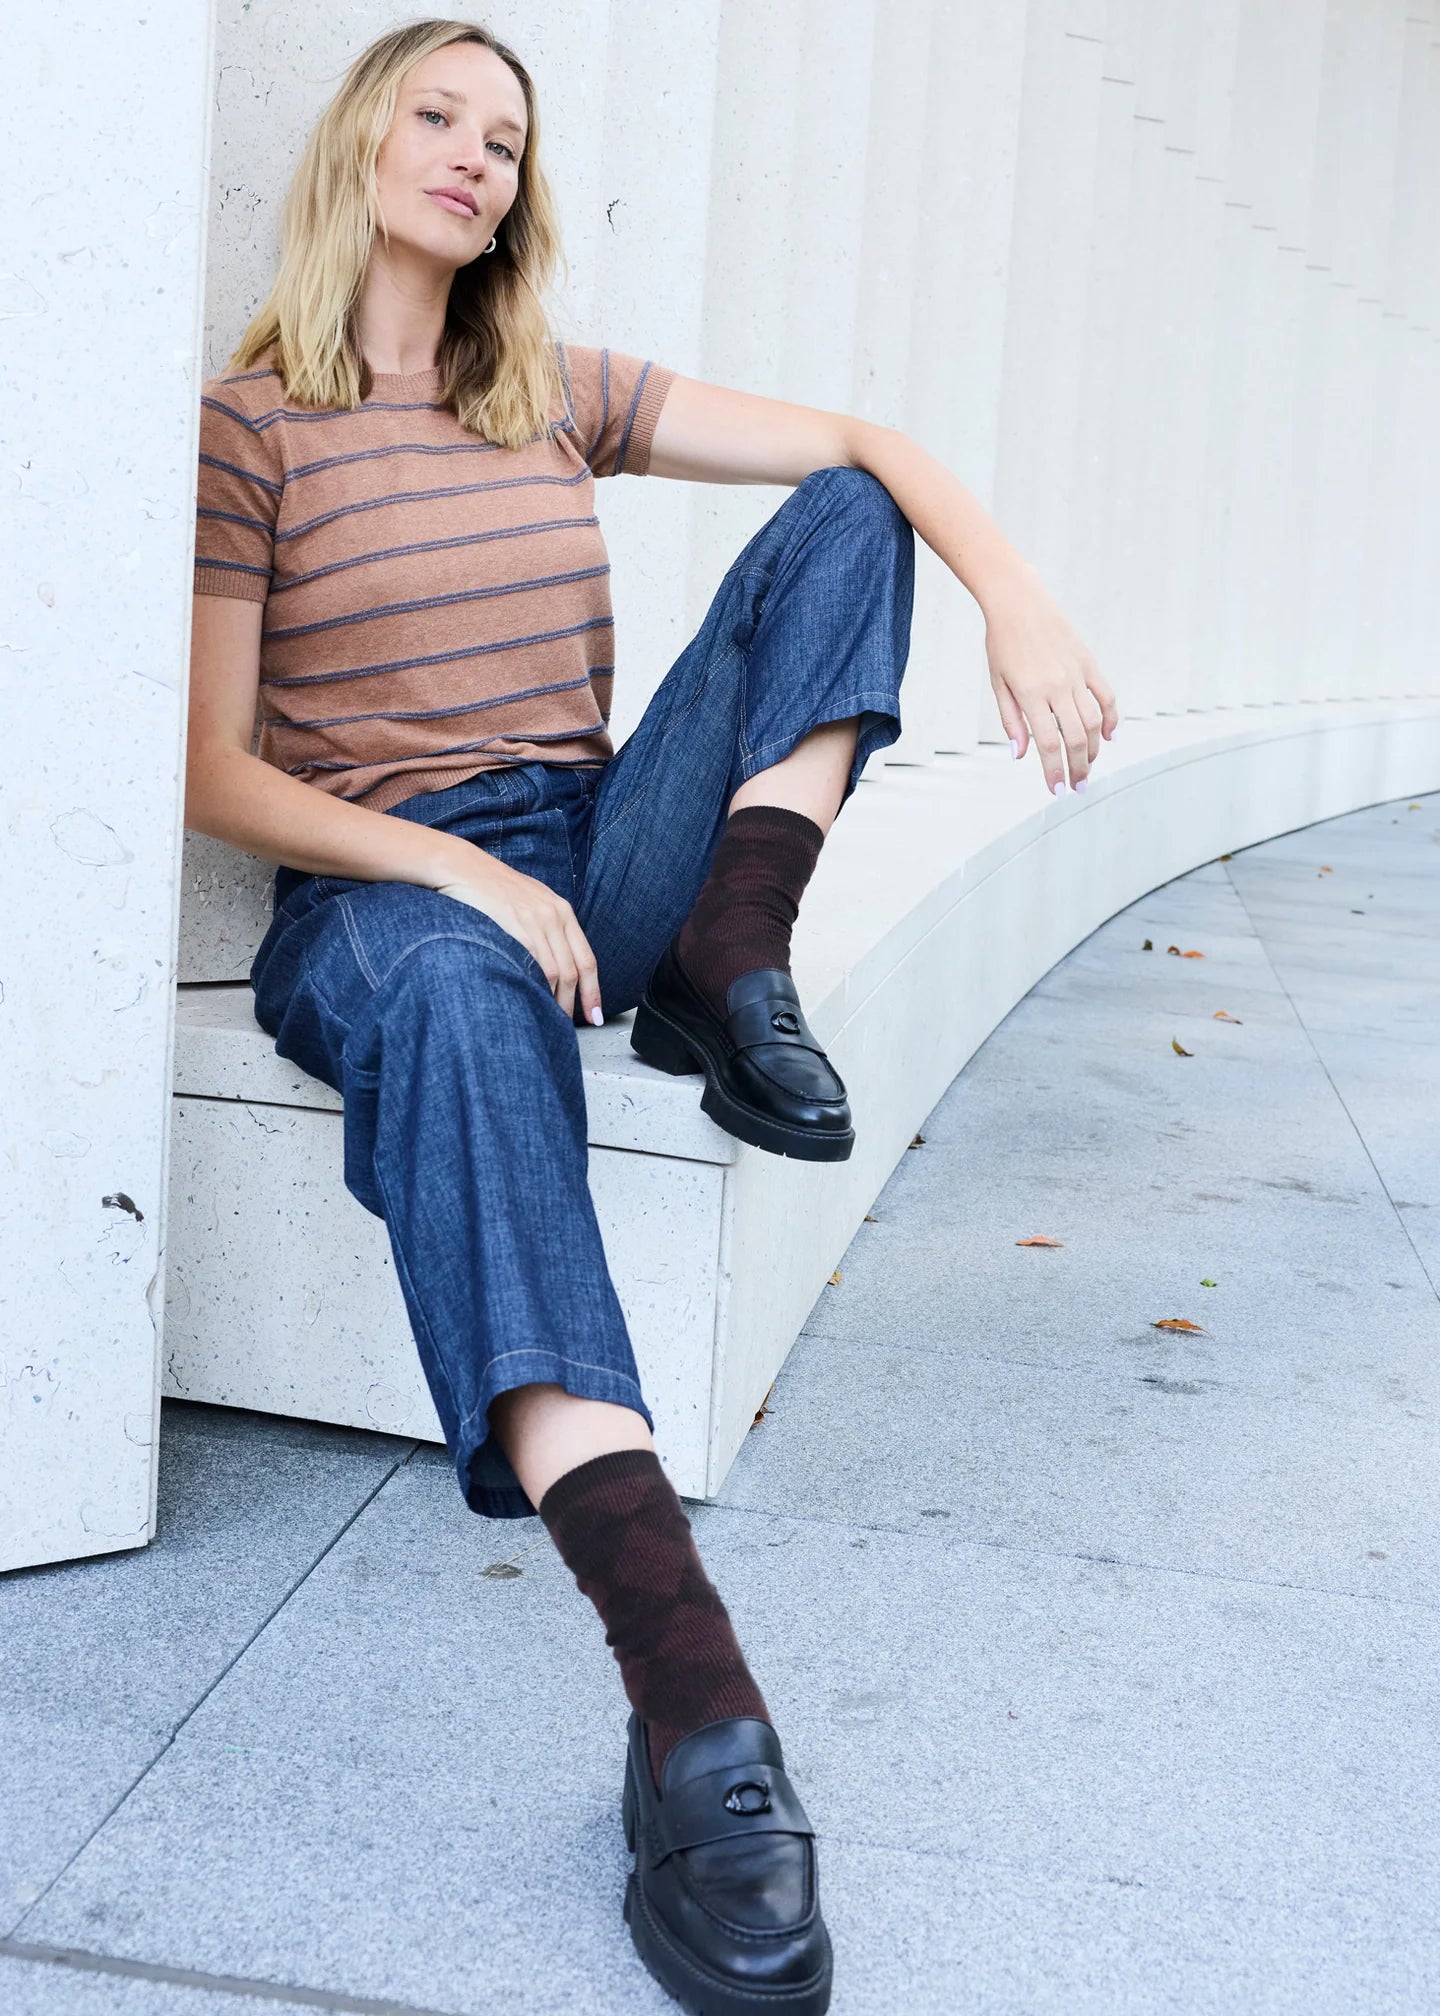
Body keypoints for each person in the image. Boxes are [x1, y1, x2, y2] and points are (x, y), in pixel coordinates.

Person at [187, 19, 1116, 2013]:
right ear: (360, 142)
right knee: (450, 1000)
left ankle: (733, 947)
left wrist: (1018, 595)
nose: (472, 154)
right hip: (385, 887)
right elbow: (215, 772)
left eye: (506, 137)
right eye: (437, 115)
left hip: (598, 850)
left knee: (853, 512)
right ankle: (693, 1704)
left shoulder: (552, 393)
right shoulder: (249, 426)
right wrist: (462, 874)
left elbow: (874, 451)